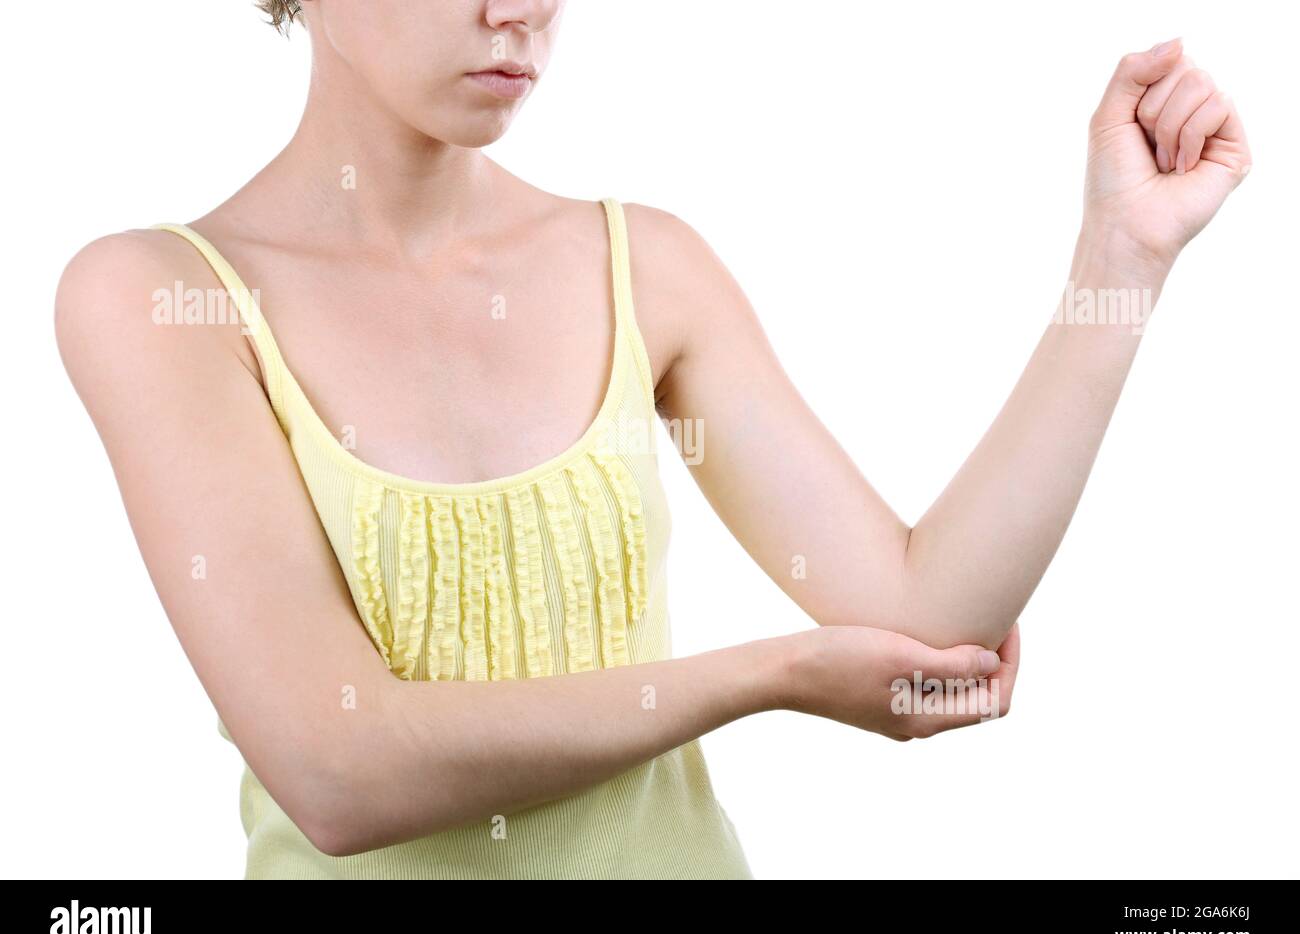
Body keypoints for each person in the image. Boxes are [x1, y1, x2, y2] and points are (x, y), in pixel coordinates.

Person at [54, 1, 1251, 879]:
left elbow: (926, 624)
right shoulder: (158, 294)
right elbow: (338, 770)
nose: (518, 13)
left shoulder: (645, 267)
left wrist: (1120, 260)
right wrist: (766, 675)